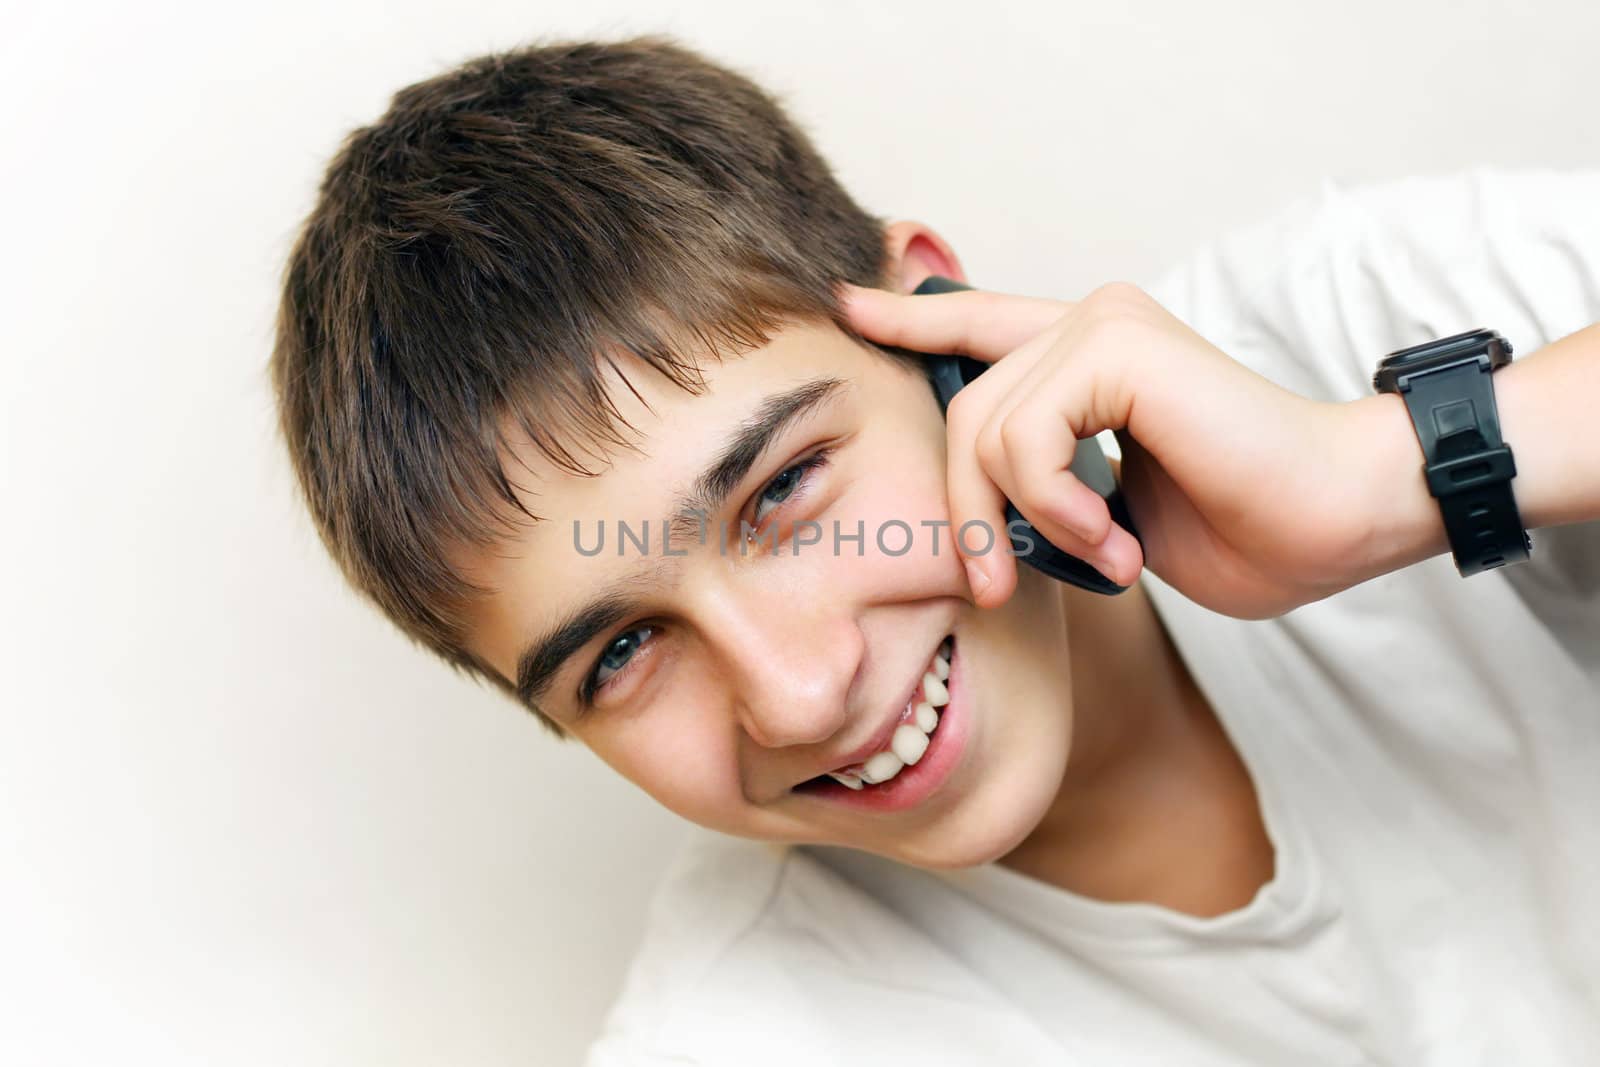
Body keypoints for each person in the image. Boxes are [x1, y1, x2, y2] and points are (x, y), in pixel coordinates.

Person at [269, 36, 1600, 1066]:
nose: (796, 693)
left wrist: (1393, 474)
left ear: (935, 322)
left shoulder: (1352, 320)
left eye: (785, 488)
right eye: (619, 653)